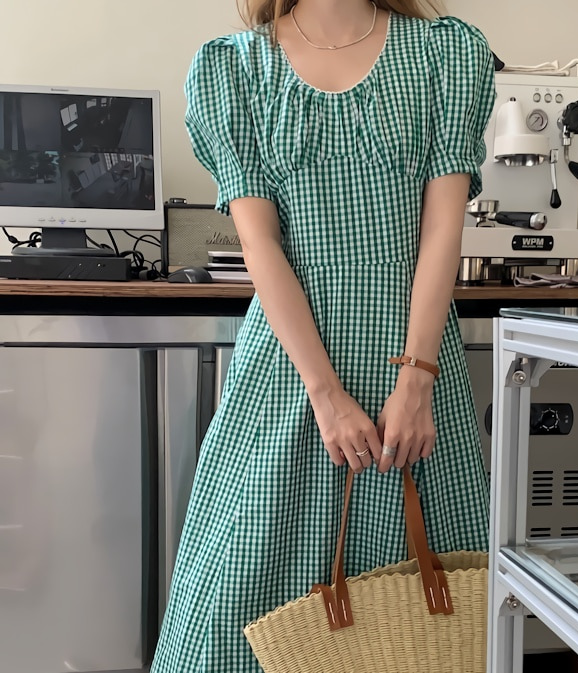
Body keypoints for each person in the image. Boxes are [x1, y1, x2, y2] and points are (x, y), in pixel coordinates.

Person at [151, 1, 495, 670]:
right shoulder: (235, 67)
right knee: (237, 588)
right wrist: (326, 393)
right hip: (290, 372)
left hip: (412, 366)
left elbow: (441, 232)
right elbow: (260, 245)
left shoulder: (446, 53)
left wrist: (416, 377)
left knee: (424, 609)